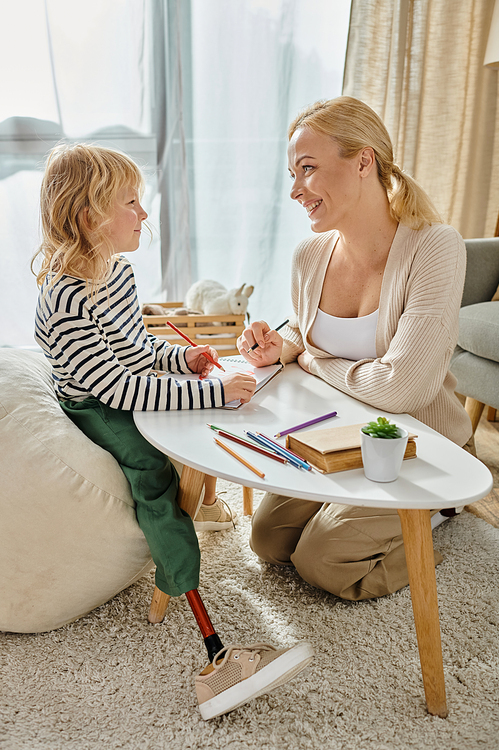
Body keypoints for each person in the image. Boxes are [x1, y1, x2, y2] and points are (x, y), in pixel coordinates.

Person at [32, 143, 314, 720]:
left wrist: (182, 363)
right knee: (155, 475)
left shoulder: (118, 273)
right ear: (89, 217)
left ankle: (201, 508)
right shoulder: (63, 296)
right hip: (95, 405)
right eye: (131, 203)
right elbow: (113, 387)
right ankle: (210, 645)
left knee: (196, 426)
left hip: (122, 384)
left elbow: (134, 351)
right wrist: (212, 391)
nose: (144, 215)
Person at [237, 96, 474, 602]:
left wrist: (312, 359)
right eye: (292, 173)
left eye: (308, 169)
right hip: (338, 435)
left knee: (323, 561)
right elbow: (309, 340)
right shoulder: (309, 254)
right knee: (268, 540)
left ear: (363, 161)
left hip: (420, 443)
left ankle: (435, 513)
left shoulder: (435, 247)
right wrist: (281, 348)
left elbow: (402, 387)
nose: (296, 189)